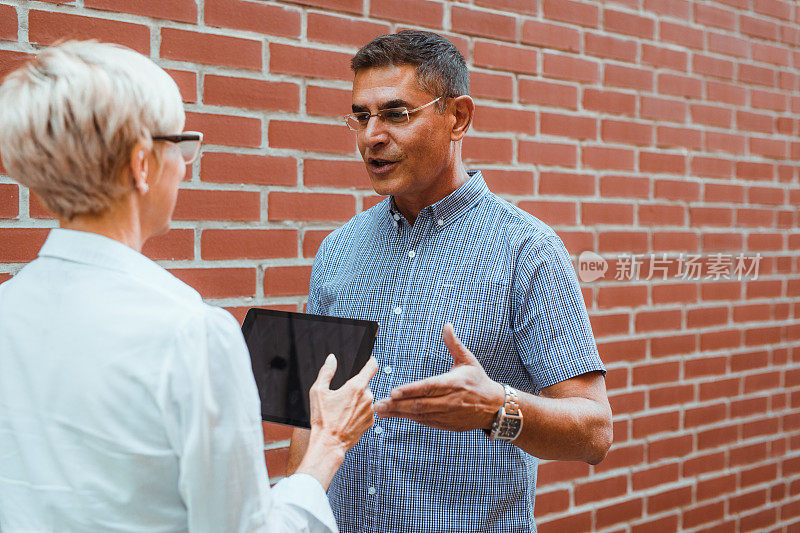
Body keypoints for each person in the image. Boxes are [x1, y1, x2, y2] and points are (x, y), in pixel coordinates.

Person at [0, 41, 377, 532]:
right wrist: (326, 446)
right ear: (141, 163)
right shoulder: (189, 334)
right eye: (179, 145)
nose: (185, 164)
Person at [288, 30, 613, 532]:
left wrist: (495, 407)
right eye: (361, 115)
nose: (371, 135)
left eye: (396, 114)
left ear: (457, 117)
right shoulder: (337, 251)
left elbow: (593, 431)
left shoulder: (526, 249)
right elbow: (312, 416)